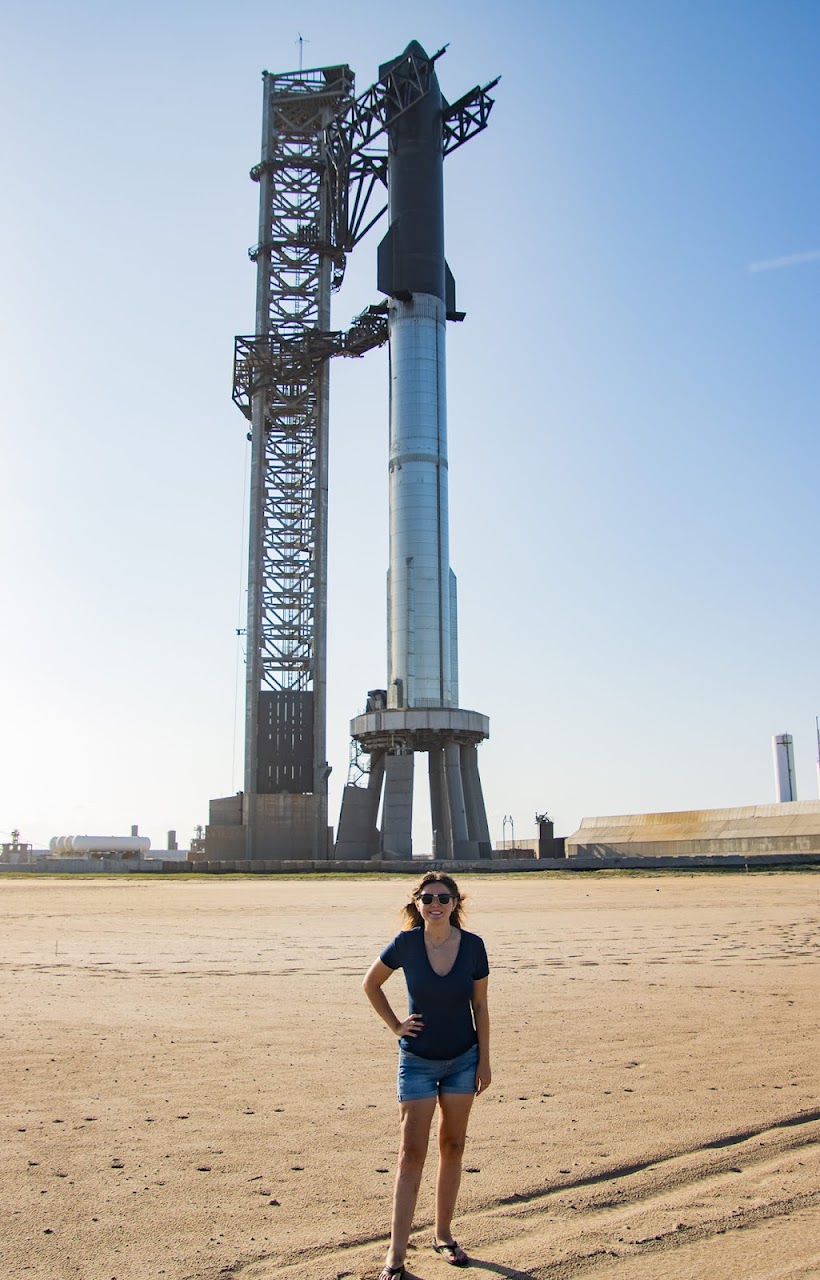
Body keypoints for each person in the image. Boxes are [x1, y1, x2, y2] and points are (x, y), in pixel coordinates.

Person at [363, 871, 491, 1279]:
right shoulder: (405, 944)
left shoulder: (473, 947)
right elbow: (371, 984)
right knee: (410, 1153)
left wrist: (484, 1061)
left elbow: (481, 1008)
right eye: (428, 898)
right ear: (417, 903)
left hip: (463, 1059)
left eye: (444, 898)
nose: (436, 904)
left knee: (452, 1146)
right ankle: (395, 1256)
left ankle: (444, 1235)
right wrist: (396, 1025)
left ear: (455, 903)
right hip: (417, 1060)